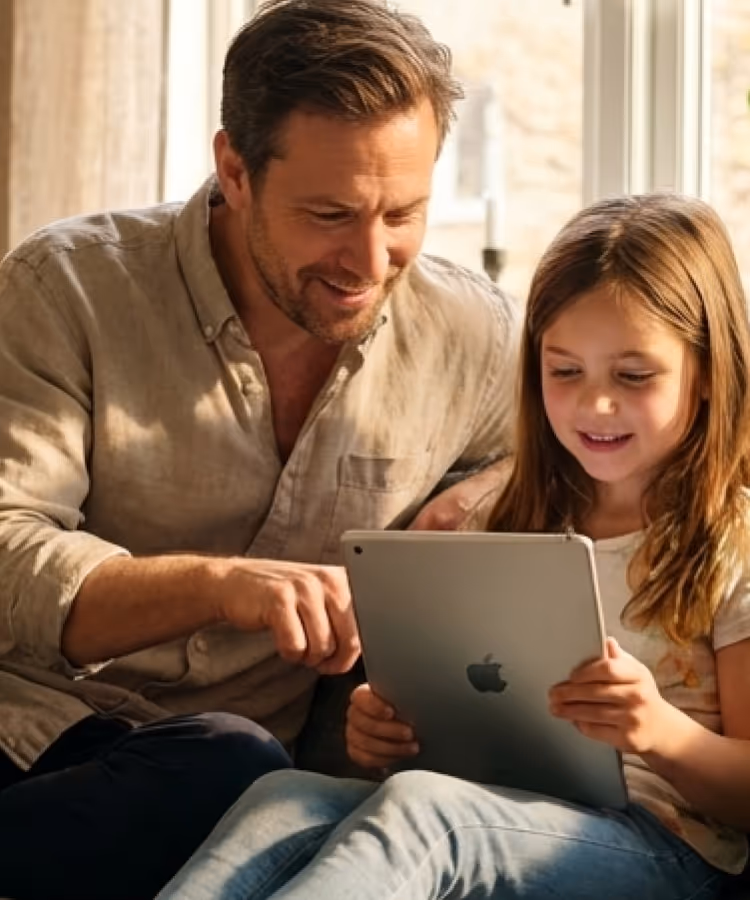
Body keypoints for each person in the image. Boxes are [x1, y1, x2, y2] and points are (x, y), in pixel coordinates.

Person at [0, 1, 520, 898]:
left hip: (250, 786)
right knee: (228, 765)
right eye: (329, 214)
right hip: (38, 735)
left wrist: (479, 497)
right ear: (233, 170)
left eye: (404, 212)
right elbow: (8, 549)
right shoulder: (65, 289)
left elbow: (568, 460)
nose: (370, 258)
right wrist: (219, 588)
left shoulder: (469, 334)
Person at [155, 191, 750, 900]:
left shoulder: (730, 541)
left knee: (432, 816)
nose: (595, 405)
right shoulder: (505, 526)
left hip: (670, 850)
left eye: (633, 375)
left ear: (707, 372)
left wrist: (660, 732)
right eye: (565, 371)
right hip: (496, 810)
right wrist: (390, 732)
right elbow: (459, 733)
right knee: (281, 797)